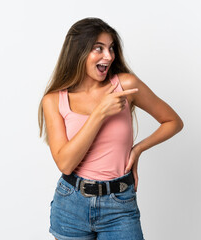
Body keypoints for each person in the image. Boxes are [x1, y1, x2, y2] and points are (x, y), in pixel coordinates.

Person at [38, 17, 184, 240]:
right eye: (99, 48)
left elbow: (173, 121)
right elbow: (66, 164)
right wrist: (100, 113)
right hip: (70, 205)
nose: (109, 56)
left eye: (111, 48)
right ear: (78, 52)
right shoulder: (54, 101)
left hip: (119, 204)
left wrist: (137, 150)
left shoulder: (125, 85)